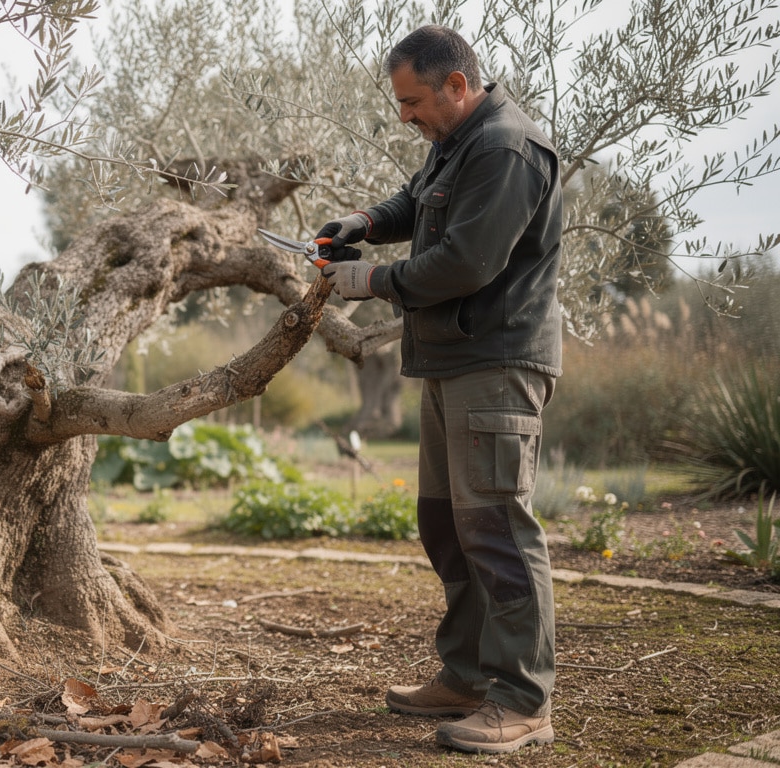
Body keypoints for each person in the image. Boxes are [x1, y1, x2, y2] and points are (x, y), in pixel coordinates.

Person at [316, 24, 562, 755]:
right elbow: (414, 201)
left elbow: (466, 264)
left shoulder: (508, 149)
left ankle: (522, 702)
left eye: (413, 100)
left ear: (457, 85)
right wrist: (362, 223)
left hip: (496, 362)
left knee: (498, 533)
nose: (405, 116)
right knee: (447, 526)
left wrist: (370, 280)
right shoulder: (459, 143)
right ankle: (466, 676)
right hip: (451, 361)